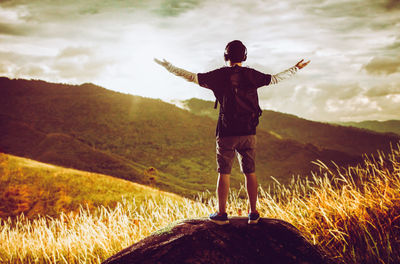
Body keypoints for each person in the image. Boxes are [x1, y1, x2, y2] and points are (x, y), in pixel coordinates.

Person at [154, 40, 310, 225]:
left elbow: (190, 77)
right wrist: (296, 68)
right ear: (244, 57)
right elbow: (276, 78)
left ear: (226, 56)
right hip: (249, 132)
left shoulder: (218, 76)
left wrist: (168, 66)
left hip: (226, 132)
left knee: (224, 173)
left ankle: (221, 214)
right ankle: (253, 213)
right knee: (250, 172)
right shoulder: (252, 75)